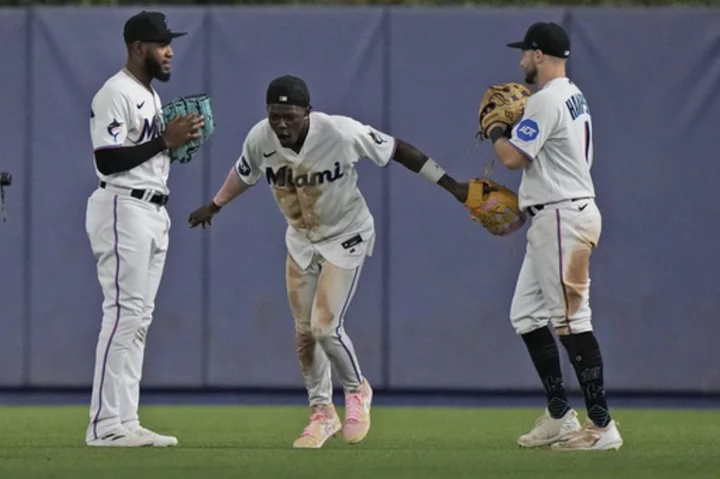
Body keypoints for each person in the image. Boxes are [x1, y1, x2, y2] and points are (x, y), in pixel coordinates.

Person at [188, 75, 468, 449]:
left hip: (346, 235)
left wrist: (452, 185)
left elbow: (399, 150)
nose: (282, 124)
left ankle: (357, 391)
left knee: (324, 327)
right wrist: (215, 205)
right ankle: (322, 413)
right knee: (304, 333)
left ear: (307, 111)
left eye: (290, 115)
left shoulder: (339, 131)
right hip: (301, 240)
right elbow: (244, 173)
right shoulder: (260, 138)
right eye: (275, 116)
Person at [485, 22, 623, 451]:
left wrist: (494, 129)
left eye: (525, 53)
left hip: (564, 217)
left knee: (571, 321)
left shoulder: (546, 100)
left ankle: (602, 426)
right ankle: (561, 414)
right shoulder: (571, 94)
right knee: (526, 315)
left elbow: (511, 157)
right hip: (557, 215)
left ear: (539, 54)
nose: (522, 61)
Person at [85, 11, 204, 447]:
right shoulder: (115, 92)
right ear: (137, 48)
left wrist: (173, 147)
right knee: (122, 315)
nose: (170, 50)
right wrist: (163, 141)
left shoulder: (150, 97)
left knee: (139, 320)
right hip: (122, 207)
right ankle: (103, 424)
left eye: (169, 42)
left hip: (153, 211)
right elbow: (107, 158)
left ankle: (125, 419)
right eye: (160, 44)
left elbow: (148, 151)